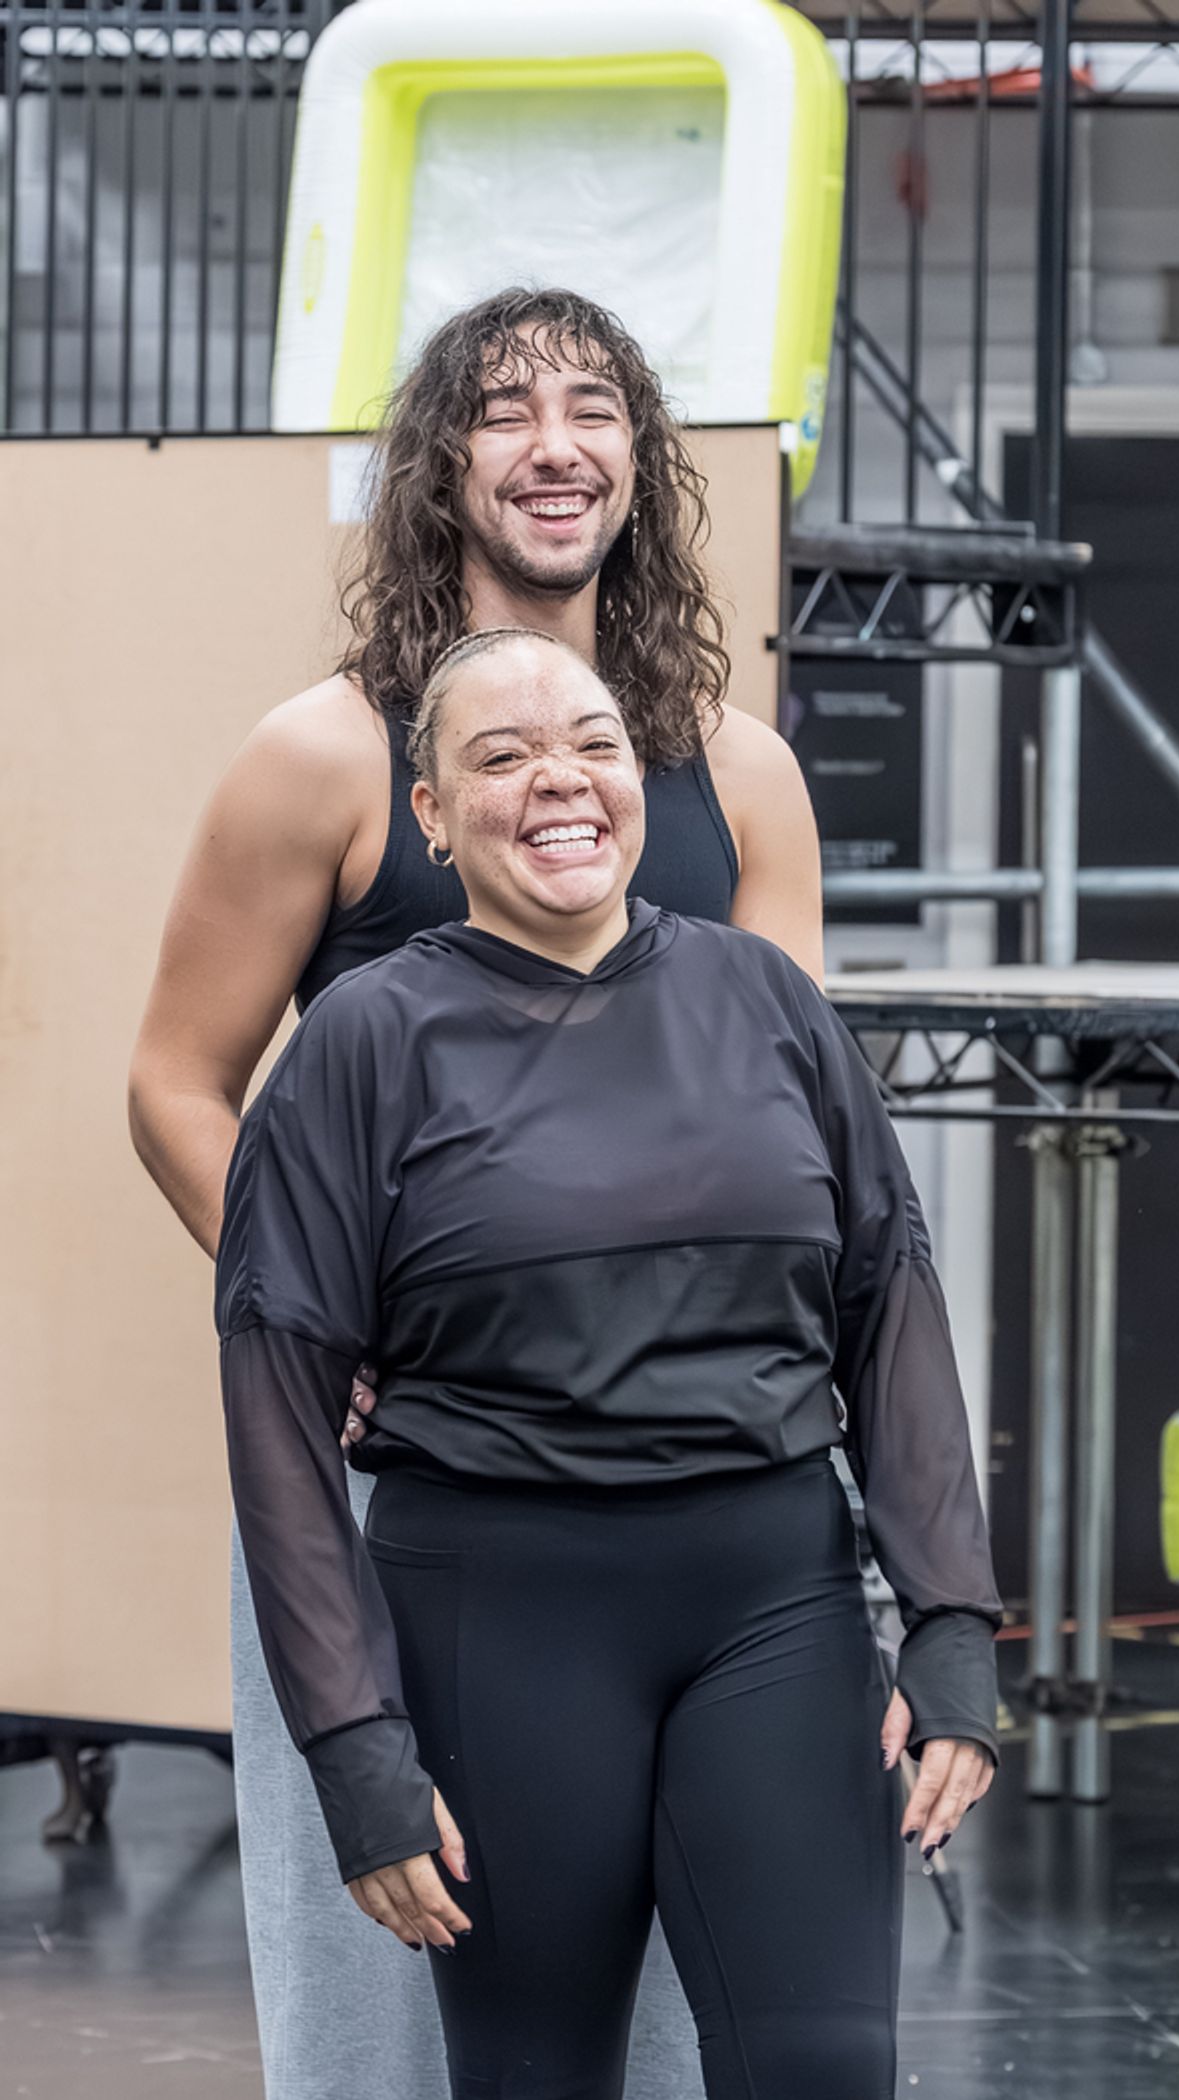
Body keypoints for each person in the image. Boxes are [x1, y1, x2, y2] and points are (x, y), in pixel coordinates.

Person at [127, 288, 821, 2100]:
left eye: (595, 408)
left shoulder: (738, 776)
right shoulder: (331, 755)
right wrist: (314, 1329)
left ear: (642, 469)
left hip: (675, 1494)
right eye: (504, 410)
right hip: (396, 1483)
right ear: (441, 469)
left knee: (667, 2020)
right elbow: (177, 1085)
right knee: (385, 1991)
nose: (555, 443)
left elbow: (804, 1133)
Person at [217, 626, 1002, 2100]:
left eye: (591, 745)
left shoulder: (769, 1005)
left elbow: (890, 1296)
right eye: (500, 758)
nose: (559, 783)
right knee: (537, 2079)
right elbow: (275, 1413)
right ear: (433, 817)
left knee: (825, 2070)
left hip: (776, 1606)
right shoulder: (358, 1050)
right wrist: (353, 1744)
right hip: (500, 1625)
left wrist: (954, 1618)